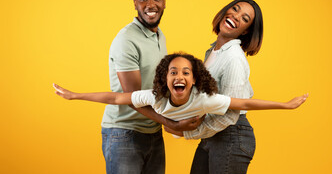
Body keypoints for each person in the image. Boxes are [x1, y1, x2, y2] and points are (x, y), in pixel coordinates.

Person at [99, 0, 201, 174]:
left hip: (152, 133)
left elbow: (158, 89)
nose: (150, 4)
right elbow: (134, 97)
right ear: (135, 3)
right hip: (124, 134)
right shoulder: (126, 39)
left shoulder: (159, 35)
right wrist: (171, 123)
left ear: (164, 3)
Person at [53, 53, 307, 125]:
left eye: (186, 73)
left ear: (194, 80)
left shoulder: (205, 99)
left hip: (197, 128)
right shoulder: (155, 96)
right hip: (173, 128)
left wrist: (285, 105)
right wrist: (75, 95)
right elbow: (116, 96)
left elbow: (245, 104)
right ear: (165, 80)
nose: (180, 76)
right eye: (173, 72)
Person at [183, 0, 272, 174]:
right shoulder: (213, 51)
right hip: (213, 134)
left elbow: (230, 114)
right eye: (235, 9)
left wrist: (191, 132)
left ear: (246, 31)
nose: (235, 16)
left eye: (244, 18)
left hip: (231, 135)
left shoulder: (233, 57)